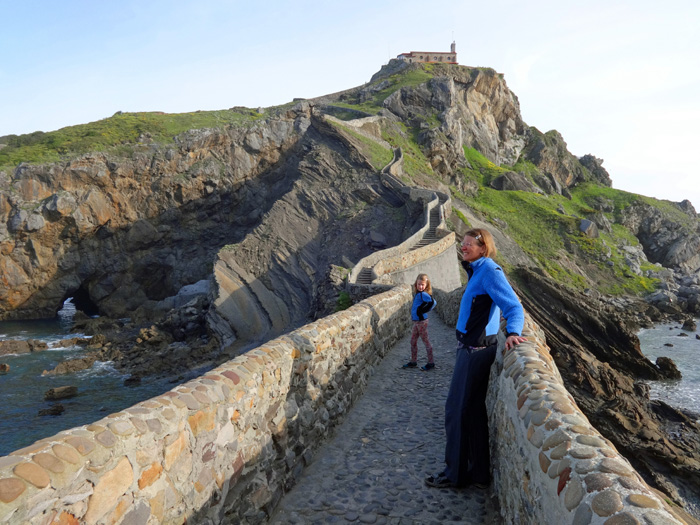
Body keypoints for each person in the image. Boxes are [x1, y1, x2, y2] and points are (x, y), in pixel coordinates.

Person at [425, 228, 527, 489]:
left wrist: (513, 332)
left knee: (456, 412)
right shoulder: (477, 270)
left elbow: (513, 306)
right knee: (472, 413)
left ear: (484, 248)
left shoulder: (489, 271)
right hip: (474, 350)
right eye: (463, 243)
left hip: (475, 352)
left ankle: (454, 475)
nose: (464, 247)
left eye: (469, 244)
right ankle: (478, 473)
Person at [402, 273, 437, 371]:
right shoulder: (418, 294)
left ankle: (431, 363)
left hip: (421, 322)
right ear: (416, 284)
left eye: (422, 285)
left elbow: (433, 302)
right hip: (417, 322)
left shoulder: (423, 294)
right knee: (413, 341)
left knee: (426, 342)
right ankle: (413, 361)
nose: (420, 286)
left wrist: (423, 310)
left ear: (426, 285)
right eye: (419, 284)